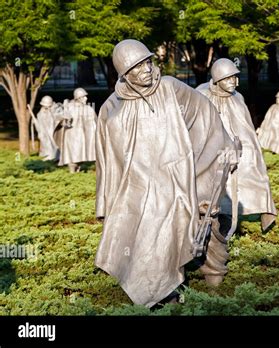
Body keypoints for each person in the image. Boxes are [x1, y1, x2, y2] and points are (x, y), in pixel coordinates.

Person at [95, 39, 236, 307]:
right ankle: (158, 292)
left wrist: (224, 148)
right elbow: (106, 161)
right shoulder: (111, 109)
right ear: (125, 74)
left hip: (175, 180)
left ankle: (174, 284)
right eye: (138, 66)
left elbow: (205, 116)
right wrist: (106, 201)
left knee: (177, 224)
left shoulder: (171, 88)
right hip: (136, 187)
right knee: (139, 233)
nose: (147, 69)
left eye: (148, 61)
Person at [196, 58, 278, 239]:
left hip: (239, 150)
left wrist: (247, 152)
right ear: (217, 79)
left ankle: (259, 207)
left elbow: (246, 131)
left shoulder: (237, 98)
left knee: (253, 171)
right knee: (214, 188)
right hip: (212, 153)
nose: (233, 82)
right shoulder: (201, 95)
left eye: (235, 78)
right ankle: (218, 222)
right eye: (228, 78)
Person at [54, 88, 97, 173]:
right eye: (84, 97)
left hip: (83, 136)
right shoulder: (69, 107)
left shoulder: (88, 109)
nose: (86, 98)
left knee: (81, 154)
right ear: (78, 98)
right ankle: (72, 172)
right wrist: (64, 119)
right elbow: (58, 119)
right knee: (73, 155)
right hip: (72, 136)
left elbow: (95, 122)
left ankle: (78, 170)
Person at [35, 95, 61, 161]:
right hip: (44, 133)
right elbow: (40, 124)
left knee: (54, 144)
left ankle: (55, 157)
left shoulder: (55, 110)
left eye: (49, 106)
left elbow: (57, 118)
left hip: (52, 131)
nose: (47, 108)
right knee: (46, 144)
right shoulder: (40, 114)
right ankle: (47, 156)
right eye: (45, 106)